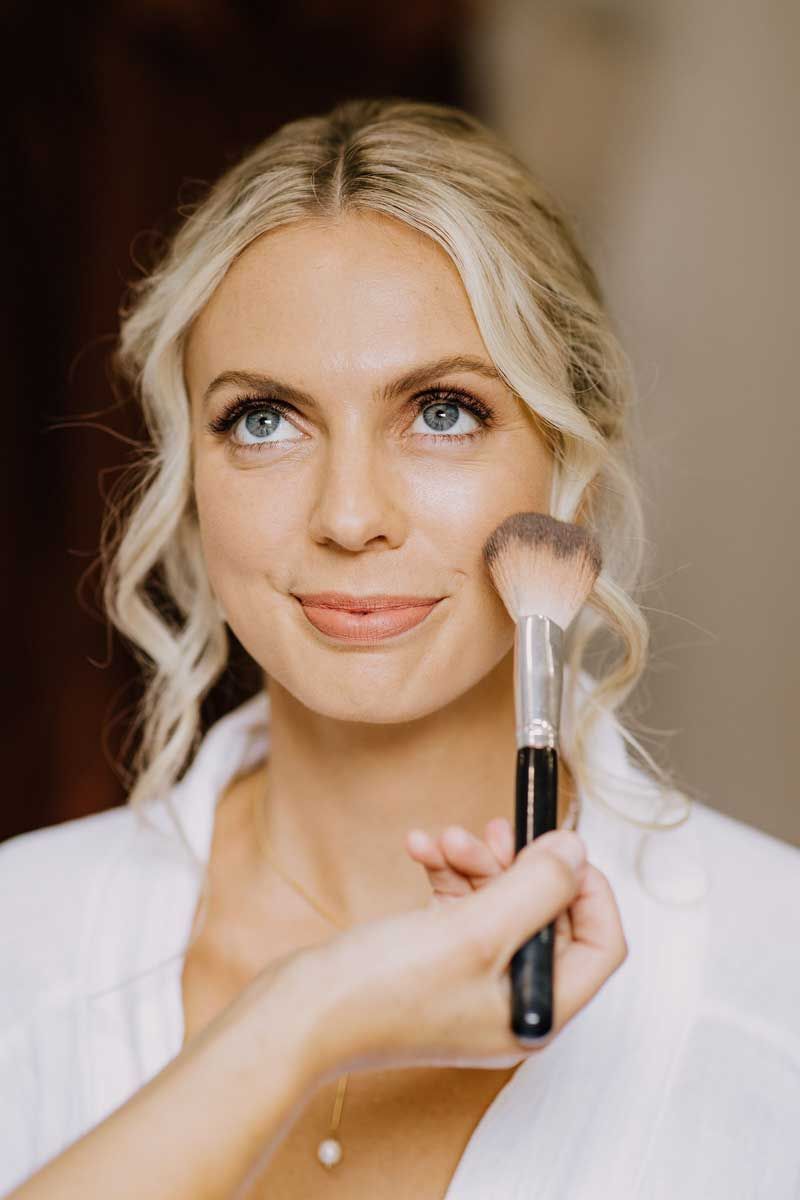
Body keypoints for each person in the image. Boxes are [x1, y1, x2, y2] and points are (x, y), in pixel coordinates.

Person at [1, 98, 797, 1199]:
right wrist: (299, 1023)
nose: (348, 514)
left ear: (569, 454)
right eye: (263, 419)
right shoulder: (18, 940)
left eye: (440, 410)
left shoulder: (778, 973)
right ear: (187, 482)